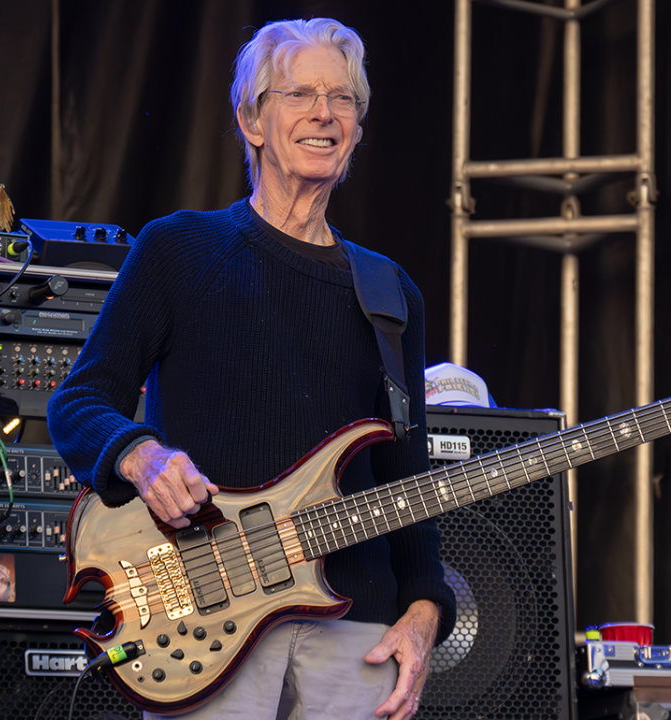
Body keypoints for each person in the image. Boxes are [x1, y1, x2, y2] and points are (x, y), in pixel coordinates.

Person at [47, 17, 455, 720]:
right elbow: (79, 401)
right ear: (252, 118)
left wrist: (424, 612)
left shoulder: (391, 294)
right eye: (300, 94)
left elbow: (408, 484)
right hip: (208, 619)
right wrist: (142, 458)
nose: (325, 113)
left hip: (355, 636)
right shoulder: (180, 250)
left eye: (344, 99)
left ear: (358, 127)